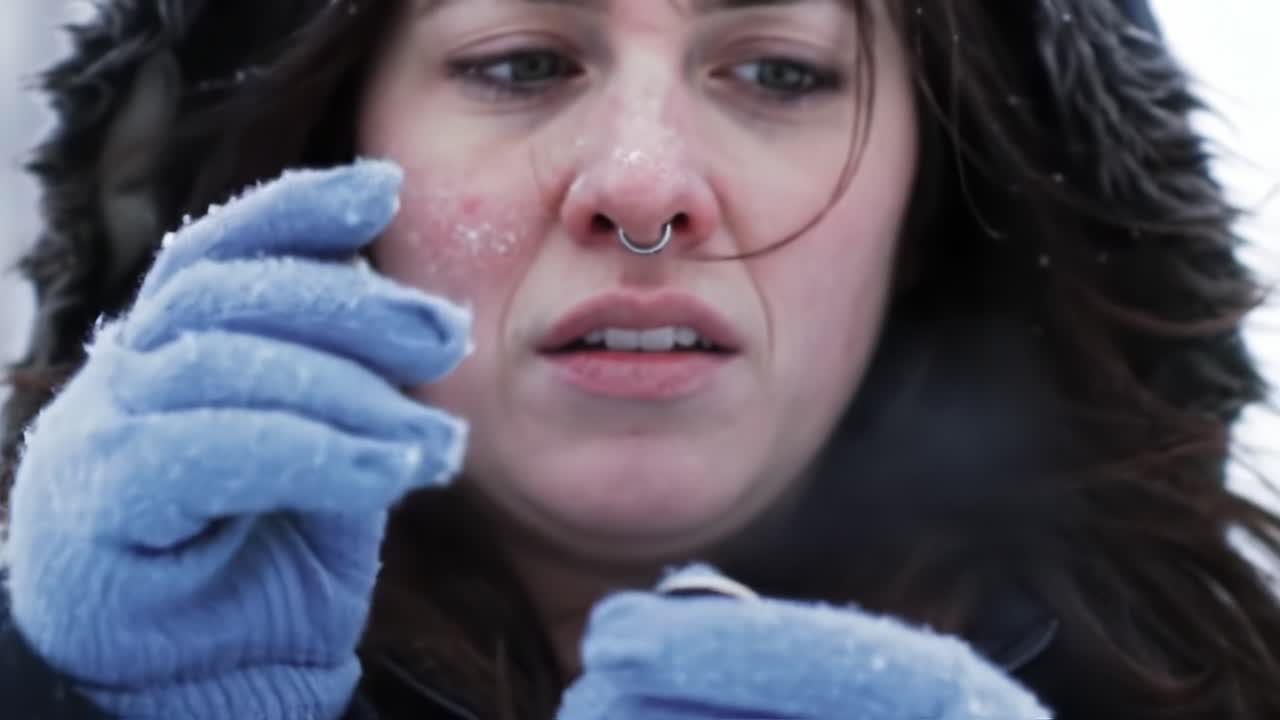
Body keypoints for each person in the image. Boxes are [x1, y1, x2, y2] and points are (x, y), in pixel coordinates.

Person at [2, 0, 1279, 718]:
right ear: (329, 152)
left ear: (934, 196)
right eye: (518, 64)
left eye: (779, 72)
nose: (644, 190)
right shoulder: (81, 653)